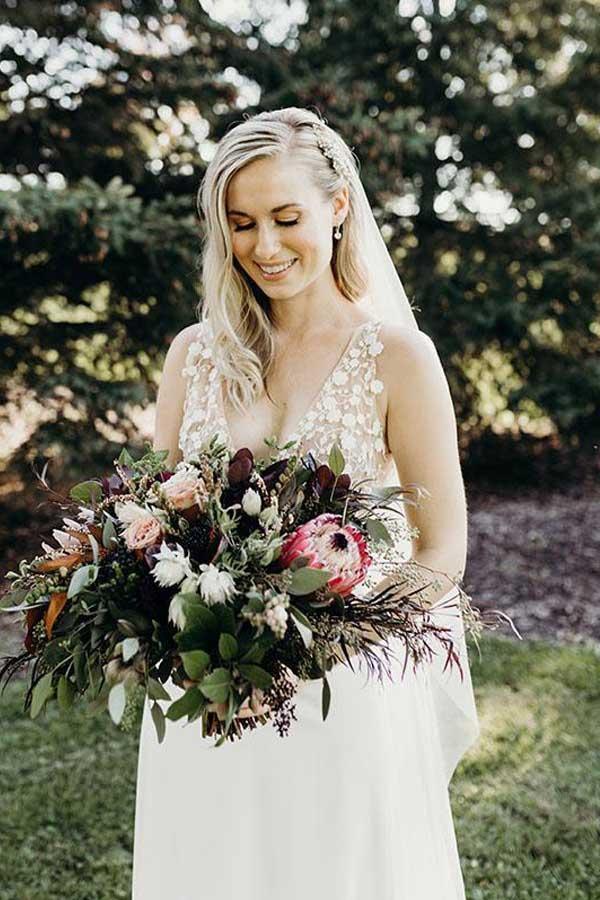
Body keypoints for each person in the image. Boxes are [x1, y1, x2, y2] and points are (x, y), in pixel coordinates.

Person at [132, 107, 480, 899]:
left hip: (343, 696)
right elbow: (158, 522)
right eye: (241, 223)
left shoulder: (397, 358)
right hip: (207, 693)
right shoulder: (193, 355)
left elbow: (441, 549)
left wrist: (312, 651)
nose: (265, 246)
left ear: (338, 206)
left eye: (286, 218)